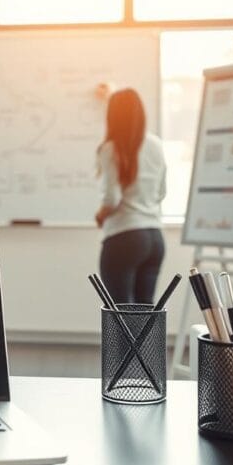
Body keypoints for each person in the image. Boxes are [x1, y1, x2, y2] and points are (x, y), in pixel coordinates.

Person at [94, 85, 167, 303]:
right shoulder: (156, 144)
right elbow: (162, 193)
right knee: (145, 315)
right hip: (155, 237)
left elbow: (112, 198)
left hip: (124, 236)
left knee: (119, 314)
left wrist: (100, 215)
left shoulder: (110, 148)